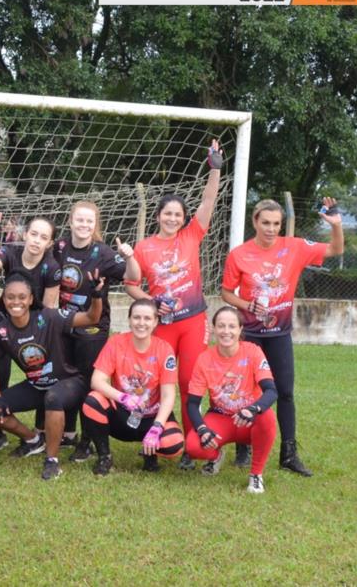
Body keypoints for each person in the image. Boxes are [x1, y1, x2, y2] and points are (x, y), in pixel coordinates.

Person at [221, 197, 343, 476]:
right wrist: (247, 305)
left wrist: (335, 225)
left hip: (279, 334)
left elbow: (336, 249)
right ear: (255, 222)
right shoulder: (239, 254)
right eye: (266, 223)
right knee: (246, 391)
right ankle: (243, 445)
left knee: (285, 392)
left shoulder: (295, 247)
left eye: (276, 223)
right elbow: (226, 292)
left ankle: (288, 453)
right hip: (250, 333)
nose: (271, 229)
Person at [125, 140, 222, 469]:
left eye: (177, 214)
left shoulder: (192, 235)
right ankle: (152, 442)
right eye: (167, 213)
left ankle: (192, 445)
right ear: (158, 216)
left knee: (188, 384)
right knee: (155, 383)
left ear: (183, 219)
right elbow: (130, 286)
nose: (172, 218)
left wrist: (215, 169)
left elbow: (208, 200)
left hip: (194, 322)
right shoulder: (144, 247)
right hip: (162, 327)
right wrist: (151, 302)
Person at [0, 274, 103, 478]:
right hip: (36, 386)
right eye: (10, 297)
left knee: (53, 397)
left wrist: (97, 295)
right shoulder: (0, 331)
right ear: (3, 300)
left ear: (31, 299)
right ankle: (32, 440)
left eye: (22, 297)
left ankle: (52, 461)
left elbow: (92, 318)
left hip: (69, 383)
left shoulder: (49, 317)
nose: (16, 302)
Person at [53, 200, 141, 461]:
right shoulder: (59, 247)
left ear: (95, 225)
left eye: (89, 221)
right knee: (66, 378)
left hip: (93, 329)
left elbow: (133, 276)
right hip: (65, 324)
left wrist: (130, 255)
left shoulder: (102, 252)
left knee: (91, 384)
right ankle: (67, 434)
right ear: (71, 221)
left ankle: (87, 439)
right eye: (79, 220)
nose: (83, 225)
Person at [0, 213, 62, 449]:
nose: (36, 240)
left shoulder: (52, 267)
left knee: (40, 376)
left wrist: (37, 336)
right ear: (25, 234)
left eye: (43, 237)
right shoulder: (10, 252)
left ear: (50, 243)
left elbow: (48, 309)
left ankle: (41, 432)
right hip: (3, 321)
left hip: (33, 328)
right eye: (33, 234)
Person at [81, 299, 185, 476]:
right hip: (123, 416)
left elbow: (168, 395)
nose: (141, 323)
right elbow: (96, 381)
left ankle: (150, 455)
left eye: (147, 318)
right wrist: (124, 398)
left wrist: (157, 427)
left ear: (155, 322)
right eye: (136, 317)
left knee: (174, 443)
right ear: (129, 320)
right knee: (92, 401)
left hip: (152, 416)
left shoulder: (164, 349)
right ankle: (104, 456)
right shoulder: (116, 342)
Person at [185, 306, 278, 494]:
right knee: (194, 446)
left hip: (248, 419)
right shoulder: (204, 359)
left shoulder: (252, 351)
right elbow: (192, 404)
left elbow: (271, 391)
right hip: (221, 417)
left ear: (240, 329)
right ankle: (216, 455)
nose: (226, 331)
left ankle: (256, 475)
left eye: (231, 326)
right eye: (221, 326)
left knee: (267, 416)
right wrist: (202, 430)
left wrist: (253, 409)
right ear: (213, 329)